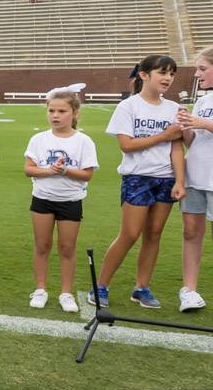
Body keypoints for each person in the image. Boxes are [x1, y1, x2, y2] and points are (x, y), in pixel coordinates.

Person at [92, 55, 185, 310]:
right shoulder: (129, 107)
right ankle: (100, 286)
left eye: (172, 74)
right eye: (162, 72)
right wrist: (163, 135)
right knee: (130, 234)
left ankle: (141, 287)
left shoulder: (174, 108)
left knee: (154, 235)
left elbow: (177, 148)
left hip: (165, 179)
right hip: (137, 178)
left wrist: (180, 180)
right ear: (144, 75)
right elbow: (127, 145)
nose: (168, 78)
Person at [24, 86, 99, 311]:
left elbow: (87, 174)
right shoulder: (38, 139)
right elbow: (28, 169)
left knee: (67, 248)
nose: (55, 116)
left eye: (62, 111)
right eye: (52, 111)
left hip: (70, 201)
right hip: (43, 199)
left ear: (74, 113)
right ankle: (40, 289)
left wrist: (65, 171)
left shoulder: (84, 141)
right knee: (42, 245)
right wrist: (50, 171)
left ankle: (66, 293)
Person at [174, 46, 213, 312]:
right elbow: (194, 142)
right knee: (191, 232)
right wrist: (185, 126)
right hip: (196, 174)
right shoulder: (203, 101)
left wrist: (201, 123)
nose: (198, 74)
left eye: (203, 68)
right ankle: (188, 290)